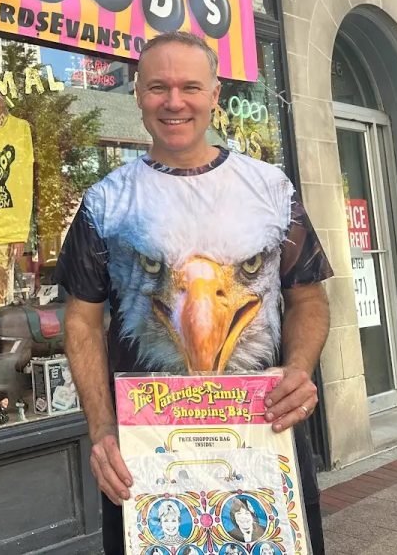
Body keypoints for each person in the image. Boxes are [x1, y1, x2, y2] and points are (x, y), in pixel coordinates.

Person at [56, 31, 332, 555]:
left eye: (189, 86)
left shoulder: (270, 191)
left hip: (265, 444)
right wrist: (101, 431)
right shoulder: (106, 203)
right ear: (136, 93)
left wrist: (298, 369)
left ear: (215, 94)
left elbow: (308, 298)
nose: (174, 101)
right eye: (158, 87)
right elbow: (82, 321)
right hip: (145, 458)